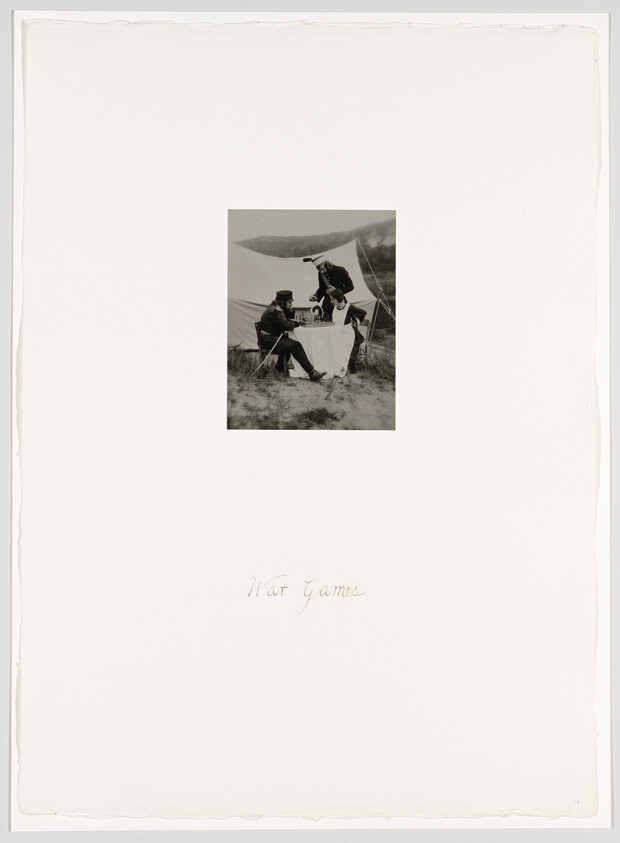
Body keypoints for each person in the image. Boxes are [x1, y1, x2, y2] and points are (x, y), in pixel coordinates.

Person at [257, 290, 327, 381]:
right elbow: (287, 325)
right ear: (283, 302)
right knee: (295, 345)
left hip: (271, 337)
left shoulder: (274, 307)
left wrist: (292, 319)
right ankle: (312, 372)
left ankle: (279, 367)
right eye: (289, 302)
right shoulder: (275, 311)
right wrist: (297, 323)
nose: (291, 304)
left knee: (289, 341)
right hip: (269, 340)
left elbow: (285, 321)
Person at [328, 288, 366, 373]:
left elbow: (363, 313)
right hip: (337, 334)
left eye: (332, 299)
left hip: (347, 335)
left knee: (343, 355)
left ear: (339, 299)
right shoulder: (334, 307)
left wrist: (356, 321)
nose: (331, 301)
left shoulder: (349, 308)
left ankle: (345, 367)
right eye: (330, 299)